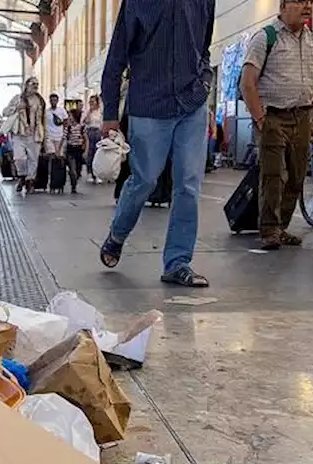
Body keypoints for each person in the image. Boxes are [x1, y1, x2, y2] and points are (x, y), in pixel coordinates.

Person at [99, 0, 215, 288]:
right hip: (150, 103)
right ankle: (117, 235)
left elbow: (204, 47)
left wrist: (205, 85)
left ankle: (178, 263)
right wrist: (110, 114)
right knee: (145, 180)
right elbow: (116, 58)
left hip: (192, 102)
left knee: (188, 183)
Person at [241, 0, 313, 251]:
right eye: (300, 1)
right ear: (284, 5)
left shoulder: (312, 40)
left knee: (297, 177)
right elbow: (248, 82)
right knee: (274, 175)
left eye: (311, 2)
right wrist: (260, 118)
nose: (307, 7)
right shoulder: (266, 37)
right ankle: (269, 230)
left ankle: (282, 226)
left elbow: (311, 82)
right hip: (273, 115)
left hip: (303, 116)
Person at [5, 77, 46, 195]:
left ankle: (30, 182)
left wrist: (45, 138)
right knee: (19, 158)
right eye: (33, 83)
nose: (35, 86)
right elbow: (5, 112)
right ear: (27, 84)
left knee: (33, 160)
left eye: (37, 84)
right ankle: (22, 177)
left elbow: (43, 120)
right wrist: (16, 108)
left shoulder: (40, 100)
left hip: (35, 134)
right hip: (20, 133)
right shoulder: (17, 99)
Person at [43, 93, 67, 193]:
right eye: (52, 100)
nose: (53, 102)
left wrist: (65, 134)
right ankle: (52, 181)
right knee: (52, 157)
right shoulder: (46, 112)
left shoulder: (62, 111)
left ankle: (59, 181)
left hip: (60, 137)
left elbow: (66, 123)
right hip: (49, 137)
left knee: (60, 158)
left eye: (55, 100)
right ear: (50, 101)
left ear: (57, 101)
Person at [63, 108, 87, 194]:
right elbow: (64, 139)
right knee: (72, 170)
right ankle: (73, 185)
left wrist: (85, 149)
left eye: (70, 116)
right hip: (70, 149)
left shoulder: (81, 127)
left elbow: (85, 138)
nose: (69, 117)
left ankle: (74, 181)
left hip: (79, 149)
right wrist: (61, 150)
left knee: (78, 169)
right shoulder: (68, 128)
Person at [83, 94, 103, 183]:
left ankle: (97, 174)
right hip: (90, 131)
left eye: (93, 101)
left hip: (98, 132)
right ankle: (89, 173)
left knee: (98, 153)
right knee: (90, 153)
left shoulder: (100, 111)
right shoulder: (88, 112)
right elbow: (86, 122)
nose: (91, 103)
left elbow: (102, 123)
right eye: (90, 102)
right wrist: (89, 112)